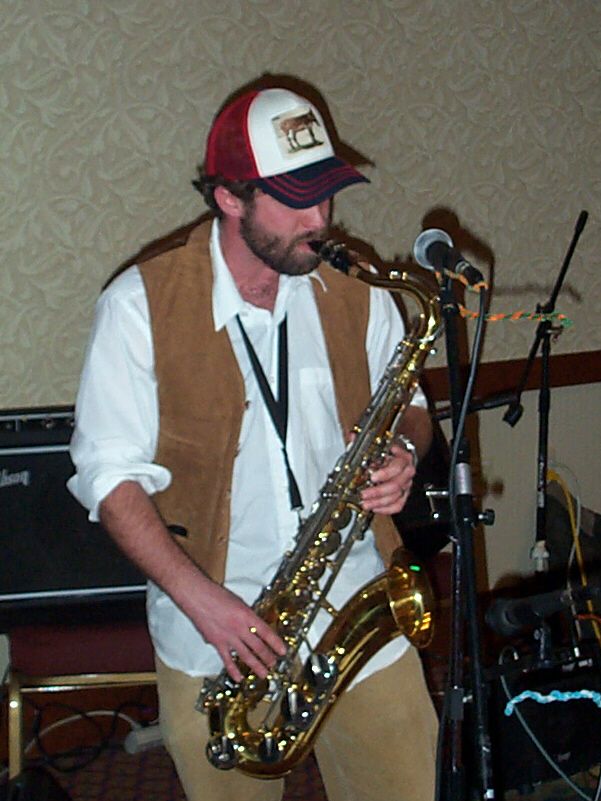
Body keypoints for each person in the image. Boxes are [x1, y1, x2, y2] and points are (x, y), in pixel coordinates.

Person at [68, 84, 438, 801]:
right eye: (294, 200)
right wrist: (203, 603)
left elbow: (413, 406)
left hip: (355, 603)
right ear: (228, 198)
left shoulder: (356, 287)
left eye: (326, 193)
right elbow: (110, 482)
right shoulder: (139, 307)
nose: (319, 219)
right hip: (218, 634)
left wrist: (403, 450)